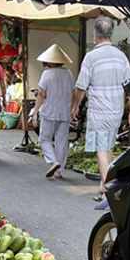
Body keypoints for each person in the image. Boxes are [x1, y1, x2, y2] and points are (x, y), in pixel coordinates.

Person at [73, 16, 130, 200]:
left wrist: (76, 106)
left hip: (99, 111)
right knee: (108, 147)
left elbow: (81, 87)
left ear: (95, 35)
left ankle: (108, 190)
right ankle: (104, 185)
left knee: (102, 149)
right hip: (116, 110)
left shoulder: (91, 57)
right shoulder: (121, 56)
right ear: (111, 35)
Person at [34, 44, 75, 179]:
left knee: (44, 139)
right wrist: (73, 108)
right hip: (64, 113)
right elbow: (73, 93)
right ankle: (59, 171)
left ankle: (53, 161)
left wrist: (35, 112)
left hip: (49, 112)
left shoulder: (47, 74)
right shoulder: (68, 74)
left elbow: (41, 94)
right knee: (62, 142)